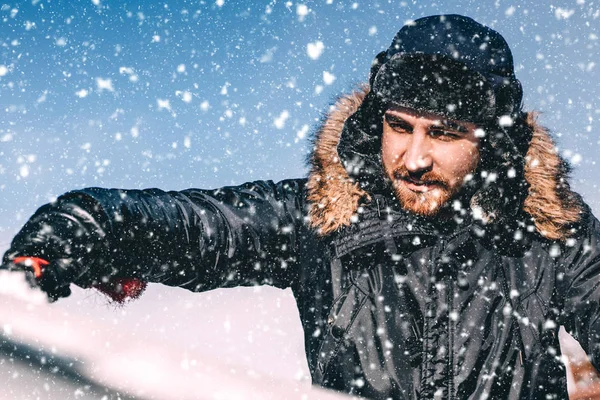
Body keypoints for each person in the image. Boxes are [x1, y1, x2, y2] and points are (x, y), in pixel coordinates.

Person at [2, 14, 598, 399]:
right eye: (399, 127)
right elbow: (181, 224)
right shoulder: (325, 218)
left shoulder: (552, 237)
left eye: (443, 134)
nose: (414, 158)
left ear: (490, 140)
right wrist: (55, 248)